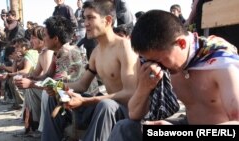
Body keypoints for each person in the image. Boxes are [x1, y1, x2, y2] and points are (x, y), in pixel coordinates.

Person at [108, 9, 239, 141]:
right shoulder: (163, 62)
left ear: (181, 43)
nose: (157, 66)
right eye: (149, 60)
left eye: (159, 60)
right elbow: (134, 114)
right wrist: (144, 86)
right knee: (125, 127)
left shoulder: (221, 62)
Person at [47, 1, 139, 141]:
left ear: (107, 20)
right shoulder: (96, 52)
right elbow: (82, 85)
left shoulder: (124, 47)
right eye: (84, 18)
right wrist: (58, 86)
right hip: (108, 105)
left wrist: (86, 101)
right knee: (56, 95)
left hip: (129, 110)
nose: (85, 23)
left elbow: (130, 93)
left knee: (105, 105)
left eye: (90, 17)